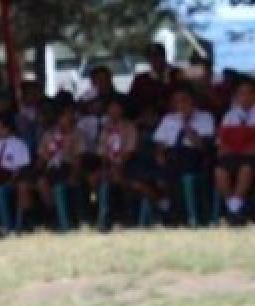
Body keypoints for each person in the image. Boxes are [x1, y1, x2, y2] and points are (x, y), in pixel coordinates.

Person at [153, 86, 216, 225]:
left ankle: (180, 213)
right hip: (171, 154)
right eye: (177, 101)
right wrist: (160, 154)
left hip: (194, 154)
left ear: (193, 101)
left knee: (177, 169)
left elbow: (202, 146)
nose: (181, 104)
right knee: (158, 174)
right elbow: (160, 142)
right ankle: (168, 210)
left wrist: (186, 123)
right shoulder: (168, 118)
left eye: (184, 100)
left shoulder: (205, 117)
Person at [34, 105, 86, 230]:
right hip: (51, 168)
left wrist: (74, 175)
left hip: (67, 167)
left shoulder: (77, 134)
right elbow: (41, 156)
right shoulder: (49, 134)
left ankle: (65, 223)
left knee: (59, 186)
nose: (68, 118)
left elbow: (79, 158)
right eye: (65, 116)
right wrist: (39, 166)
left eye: (70, 115)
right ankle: (54, 214)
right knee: (42, 183)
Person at [214, 78, 255, 223]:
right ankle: (234, 209)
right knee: (220, 172)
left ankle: (234, 211)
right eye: (241, 94)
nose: (245, 97)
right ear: (236, 97)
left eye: (249, 93)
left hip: (251, 157)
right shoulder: (230, 116)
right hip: (233, 155)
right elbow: (222, 141)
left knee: (246, 169)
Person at [94, 98, 138, 231]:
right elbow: (102, 151)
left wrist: (119, 164)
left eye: (116, 109)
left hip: (128, 165)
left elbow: (130, 151)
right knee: (97, 178)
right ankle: (103, 219)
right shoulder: (105, 129)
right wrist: (108, 164)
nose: (113, 112)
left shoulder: (129, 127)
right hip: (109, 165)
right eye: (111, 109)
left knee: (117, 177)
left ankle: (125, 216)